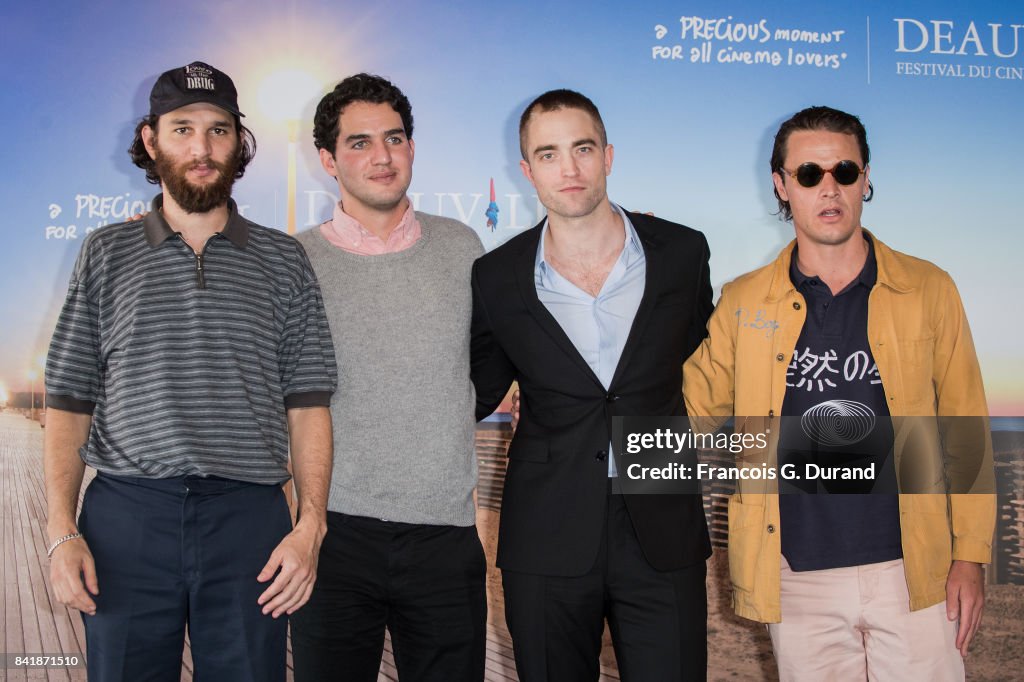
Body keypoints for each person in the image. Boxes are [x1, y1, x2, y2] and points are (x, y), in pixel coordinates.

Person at [44, 61, 337, 681]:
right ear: (151, 140)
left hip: (249, 524)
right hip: (126, 521)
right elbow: (68, 402)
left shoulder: (285, 261)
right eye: (182, 129)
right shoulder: (105, 253)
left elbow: (308, 406)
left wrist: (310, 527)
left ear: (239, 142)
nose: (201, 149)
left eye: (219, 130)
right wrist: (61, 531)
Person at [682, 105, 995, 681]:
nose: (829, 188)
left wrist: (971, 556)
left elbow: (966, 431)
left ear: (866, 178)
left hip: (915, 570)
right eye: (808, 174)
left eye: (844, 172)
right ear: (781, 185)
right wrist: (565, 402)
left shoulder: (929, 288)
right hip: (795, 575)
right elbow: (689, 411)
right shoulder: (743, 300)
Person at [471, 89, 713, 681]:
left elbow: (701, 360)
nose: (570, 168)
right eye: (549, 154)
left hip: (662, 521)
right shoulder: (496, 277)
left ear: (609, 155)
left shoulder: (683, 252)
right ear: (528, 171)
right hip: (547, 533)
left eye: (582, 148)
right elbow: (471, 393)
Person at [289, 73, 487, 682]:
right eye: (359, 142)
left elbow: (485, 370)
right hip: (331, 533)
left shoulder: (463, 247)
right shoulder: (292, 260)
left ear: (411, 147)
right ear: (327, 159)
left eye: (394, 138)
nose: (382, 156)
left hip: (445, 535)